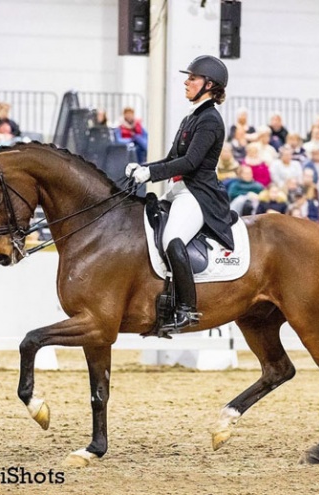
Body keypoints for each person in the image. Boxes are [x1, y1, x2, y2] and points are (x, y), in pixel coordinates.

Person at [124, 55, 233, 330]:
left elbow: (190, 163)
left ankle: (186, 308)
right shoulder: (191, 117)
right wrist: (144, 167)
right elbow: (172, 157)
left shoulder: (210, 120)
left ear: (209, 85)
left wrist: (150, 175)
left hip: (199, 195)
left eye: (193, 78)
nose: (186, 82)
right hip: (179, 191)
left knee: (173, 238)